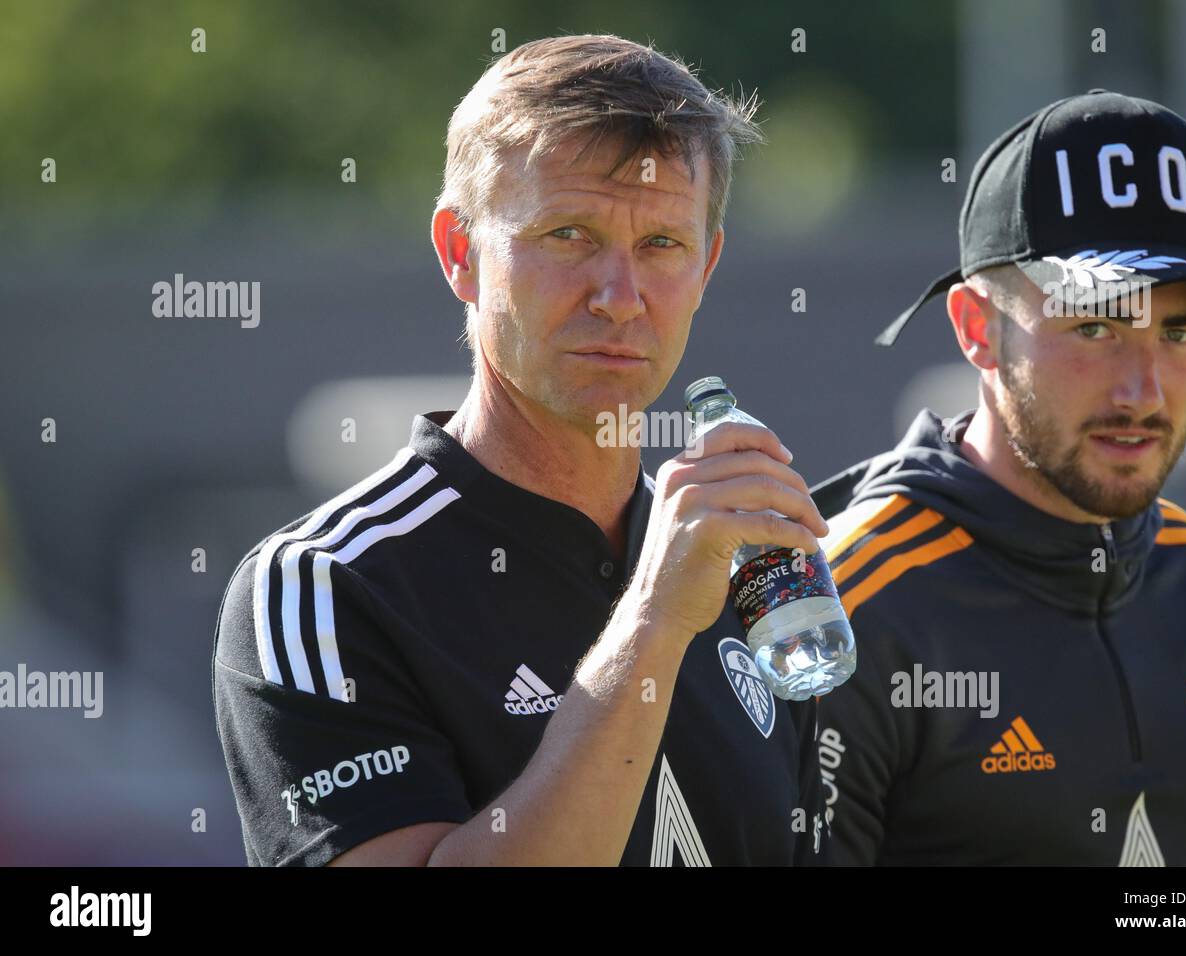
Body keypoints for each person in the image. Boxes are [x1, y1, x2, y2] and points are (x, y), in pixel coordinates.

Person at [212, 34, 830, 866]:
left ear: (707, 266)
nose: (620, 297)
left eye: (662, 246)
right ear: (459, 253)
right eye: (568, 234)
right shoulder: (322, 586)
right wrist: (651, 623)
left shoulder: (750, 570)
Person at [813, 90, 1186, 865]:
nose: (1142, 391)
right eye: (1096, 327)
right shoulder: (840, 616)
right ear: (978, 328)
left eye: (1181, 330)